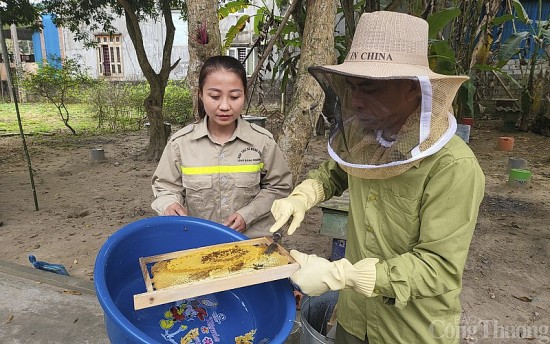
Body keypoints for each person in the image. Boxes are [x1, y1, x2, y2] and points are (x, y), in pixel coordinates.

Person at [269, 11, 485, 344]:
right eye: (353, 87)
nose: (355, 101)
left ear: (412, 89)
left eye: (369, 88)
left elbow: (438, 267)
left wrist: (344, 274)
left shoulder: (453, 167)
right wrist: (304, 195)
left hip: (411, 329)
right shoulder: (364, 139)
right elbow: (338, 171)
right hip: (354, 318)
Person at [152, 55, 293, 238]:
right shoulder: (180, 144)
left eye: (234, 96)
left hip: (252, 243)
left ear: (244, 95)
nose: (225, 106)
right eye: (215, 96)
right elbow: (165, 187)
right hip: (200, 241)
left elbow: (279, 187)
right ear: (201, 95)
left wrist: (248, 215)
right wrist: (170, 204)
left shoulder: (262, 142)